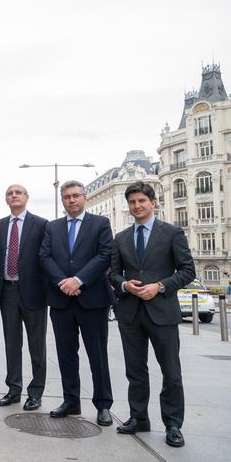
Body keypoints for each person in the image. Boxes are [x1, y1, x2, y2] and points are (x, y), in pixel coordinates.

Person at [110, 181, 195, 448]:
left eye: (141, 201)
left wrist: (159, 286)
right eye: (132, 202)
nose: (136, 206)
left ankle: (173, 424)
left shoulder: (171, 233)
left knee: (171, 371)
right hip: (130, 313)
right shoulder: (121, 237)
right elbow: (112, 274)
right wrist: (124, 285)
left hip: (162, 312)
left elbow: (187, 270)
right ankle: (139, 418)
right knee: (135, 371)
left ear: (153, 203)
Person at [39, 180, 113, 426]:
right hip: (61, 301)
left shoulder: (100, 224)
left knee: (97, 355)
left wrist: (79, 280)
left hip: (92, 299)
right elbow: (45, 256)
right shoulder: (53, 227)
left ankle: (103, 405)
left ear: (85, 198)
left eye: (75, 196)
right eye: (66, 197)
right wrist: (63, 281)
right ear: (62, 201)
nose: (71, 200)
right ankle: (71, 401)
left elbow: (104, 256)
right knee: (66, 354)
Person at [0, 185, 48, 411]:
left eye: (18, 193)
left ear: (27, 197)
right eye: (9, 193)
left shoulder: (42, 225)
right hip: (8, 291)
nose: (14, 195)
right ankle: (14, 389)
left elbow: (46, 257)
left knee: (37, 344)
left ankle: (36, 392)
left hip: (34, 292)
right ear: (6, 200)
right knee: (12, 343)